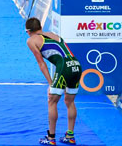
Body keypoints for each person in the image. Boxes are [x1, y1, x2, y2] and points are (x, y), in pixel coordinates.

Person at [25, 17, 82, 145]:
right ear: (40, 27)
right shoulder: (53, 34)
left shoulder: (31, 40)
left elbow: (42, 64)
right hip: (76, 65)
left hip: (64, 67)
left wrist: (51, 83)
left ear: (28, 31)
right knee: (70, 101)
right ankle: (70, 136)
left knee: (52, 101)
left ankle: (51, 138)